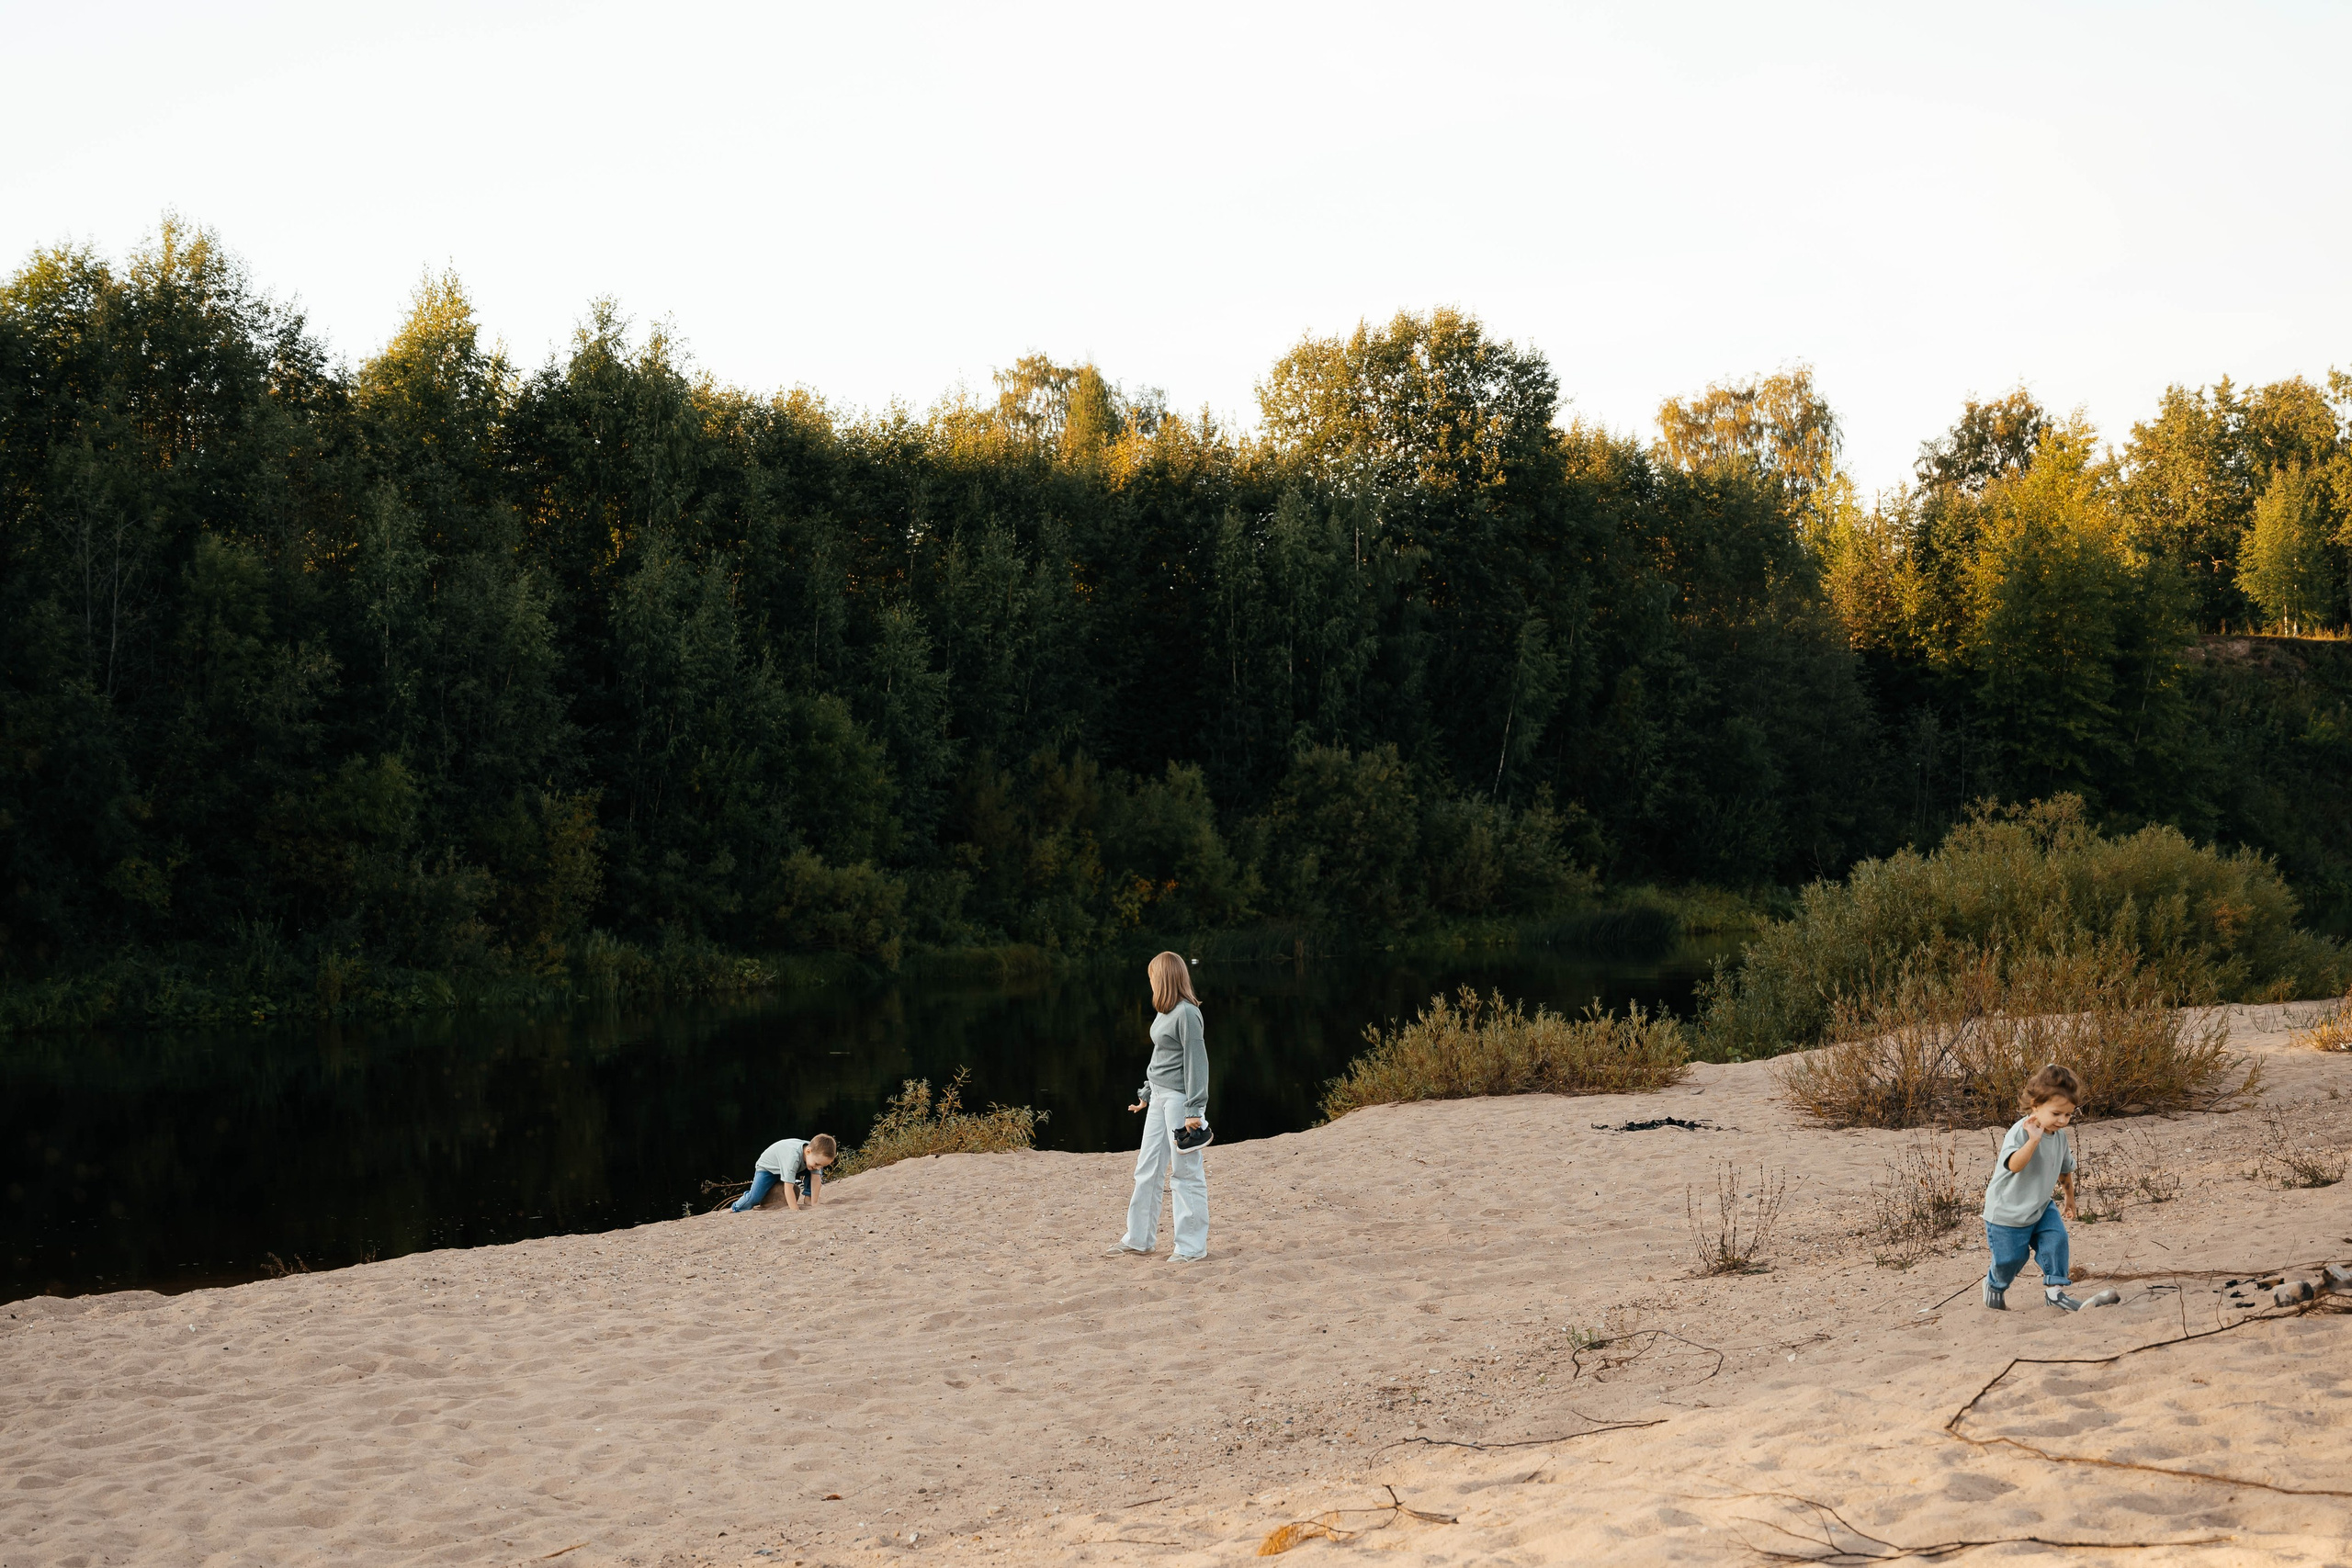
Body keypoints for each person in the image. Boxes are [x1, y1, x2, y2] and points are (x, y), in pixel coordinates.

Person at [1109, 952, 1210, 1262]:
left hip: (1181, 1100)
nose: (1150, 982)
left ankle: (1191, 1248)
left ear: (1164, 978)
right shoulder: (1165, 1012)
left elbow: (1197, 1062)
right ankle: (1139, 1239)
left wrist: (1195, 1109)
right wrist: (1147, 1092)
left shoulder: (1187, 1014)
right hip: (1160, 1097)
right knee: (1147, 1168)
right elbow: (1161, 1058)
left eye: (1153, 977)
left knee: (1185, 1172)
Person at [1983, 1064, 2082, 1311]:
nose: (2062, 1120)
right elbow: (2014, 1165)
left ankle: (2055, 1291)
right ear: (2036, 1105)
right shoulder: (2020, 1132)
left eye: (2068, 1115)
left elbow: (2064, 1167)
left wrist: (2069, 1198)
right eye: (2057, 1113)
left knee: (2056, 1240)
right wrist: (2034, 1139)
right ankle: (1994, 1284)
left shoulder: (2060, 1136)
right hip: (2007, 1212)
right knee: (2011, 1259)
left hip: (2040, 1206)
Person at [730, 1133, 837, 1212]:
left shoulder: (815, 1154)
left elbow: (816, 1179)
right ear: (808, 1151)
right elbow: (788, 1187)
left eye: (822, 1165)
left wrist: (815, 1203)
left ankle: (809, 1199)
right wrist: (795, 1209)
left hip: (794, 1167)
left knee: (813, 1170)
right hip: (769, 1169)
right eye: (818, 1164)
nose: (819, 1167)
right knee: (755, 1197)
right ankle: (734, 1208)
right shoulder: (793, 1158)